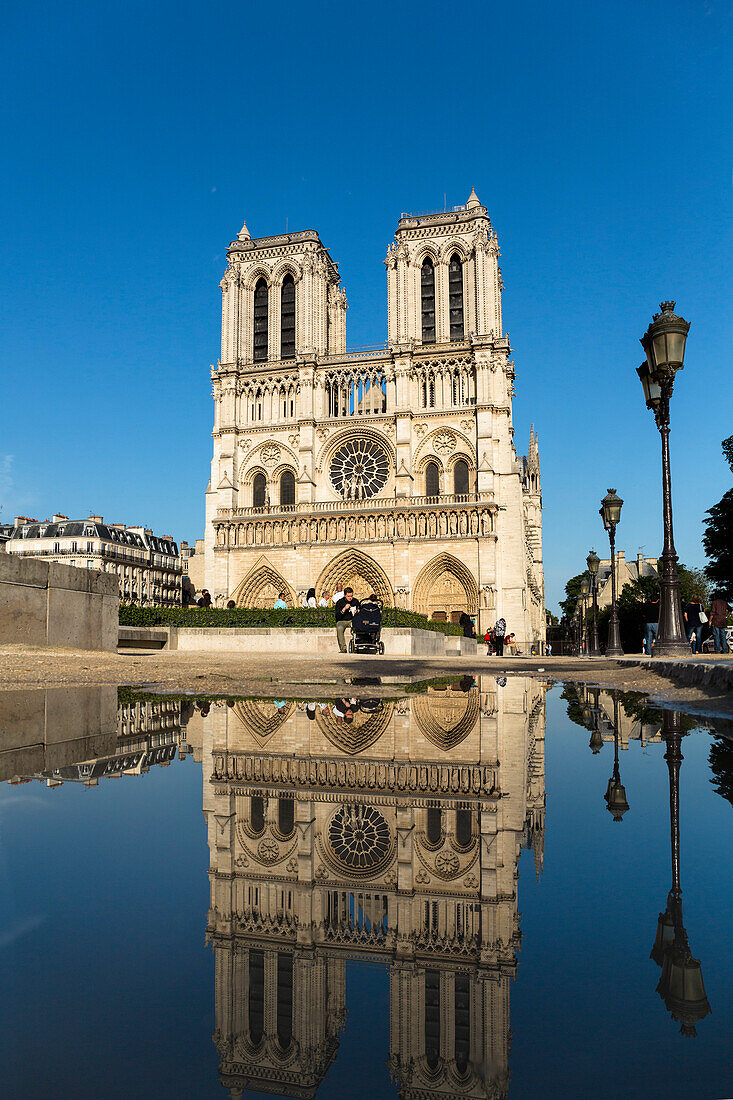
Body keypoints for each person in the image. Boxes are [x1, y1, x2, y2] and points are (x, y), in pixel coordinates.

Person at [334, 587, 360, 652]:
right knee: (339, 628)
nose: (350, 598)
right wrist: (344, 609)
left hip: (352, 620)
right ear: (345, 595)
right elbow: (337, 615)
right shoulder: (340, 602)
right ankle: (343, 648)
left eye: (351, 596)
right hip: (342, 620)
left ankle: (357, 645)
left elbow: (361, 611)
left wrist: (357, 612)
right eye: (348, 596)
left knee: (359, 626)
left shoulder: (355, 601)